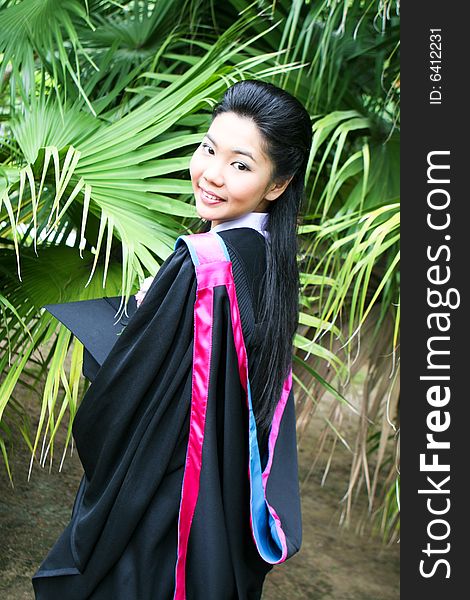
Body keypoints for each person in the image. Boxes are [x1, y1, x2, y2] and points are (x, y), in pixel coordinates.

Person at [32, 79, 313, 599]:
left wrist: (140, 317)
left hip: (167, 491)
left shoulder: (202, 261)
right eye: (209, 148)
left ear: (278, 183)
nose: (210, 174)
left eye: (241, 164)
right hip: (222, 494)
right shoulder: (271, 255)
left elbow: (126, 392)